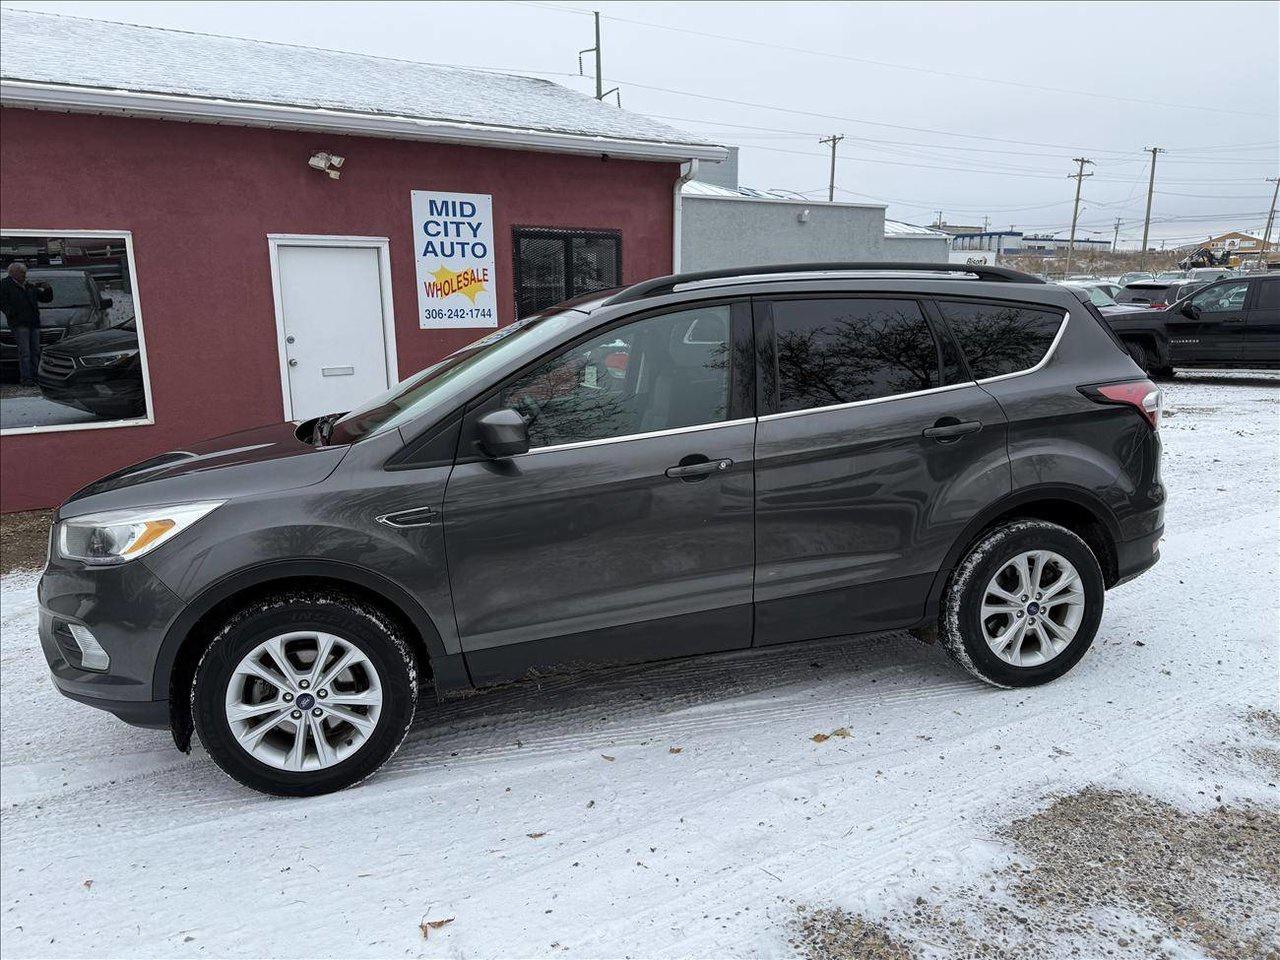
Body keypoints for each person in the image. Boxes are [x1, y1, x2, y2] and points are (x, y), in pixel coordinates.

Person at [0, 262, 53, 385]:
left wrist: (47, 289)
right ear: (13, 273)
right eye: (22, 272)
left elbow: (45, 298)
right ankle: (26, 378)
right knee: (25, 352)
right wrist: (12, 313)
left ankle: (37, 376)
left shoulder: (28, 286)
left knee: (36, 351)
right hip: (19, 323)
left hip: (33, 322)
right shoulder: (5, 285)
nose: (24, 275)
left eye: (24, 272)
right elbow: (2, 302)